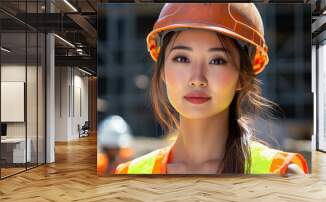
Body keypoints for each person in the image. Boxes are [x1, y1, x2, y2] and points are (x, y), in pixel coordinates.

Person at [115, 3, 309, 175]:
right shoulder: (130, 174)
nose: (197, 79)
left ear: (242, 77)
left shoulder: (280, 173)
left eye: (217, 60)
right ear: (163, 71)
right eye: (182, 58)